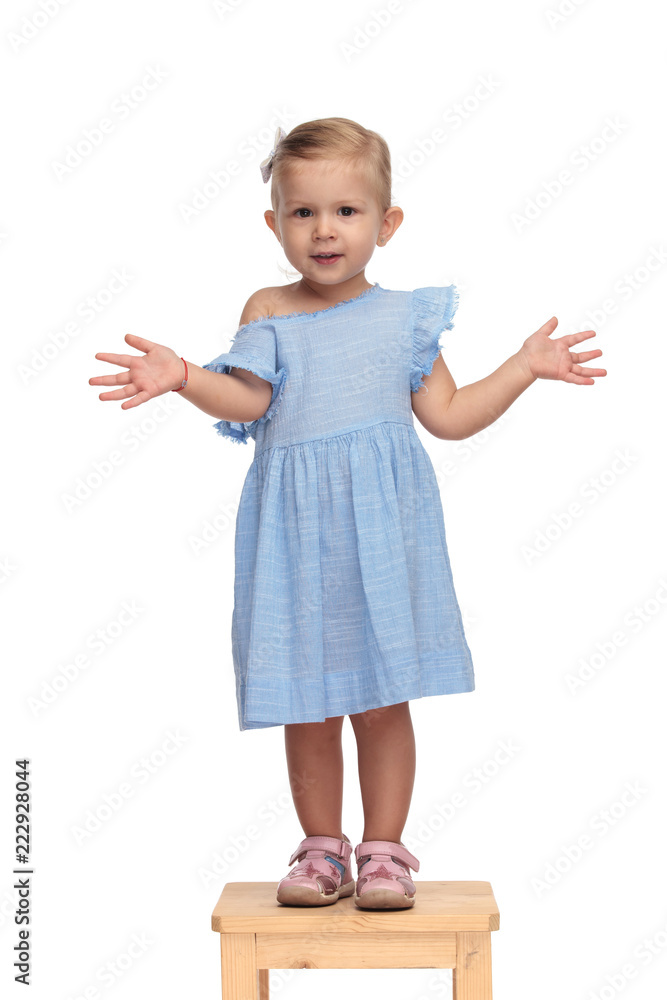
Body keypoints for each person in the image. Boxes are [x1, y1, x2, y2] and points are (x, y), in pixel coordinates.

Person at [89, 116, 606, 910]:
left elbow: (451, 415)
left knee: (382, 695)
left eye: (345, 212)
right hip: (296, 537)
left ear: (385, 223)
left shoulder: (406, 318)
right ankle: (321, 850)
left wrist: (522, 368)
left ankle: (385, 853)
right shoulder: (269, 308)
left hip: (383, 533)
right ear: (275, 223)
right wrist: (186, 375)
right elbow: (249, 399)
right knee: (308, 696)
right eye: (302, 213)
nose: (323, 230)